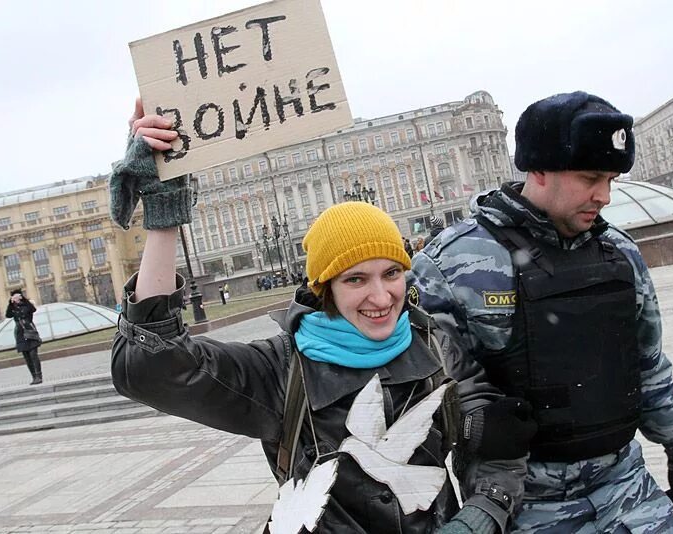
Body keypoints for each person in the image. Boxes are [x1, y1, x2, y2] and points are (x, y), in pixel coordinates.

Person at [108, 101, 532, 533]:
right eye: (355, 280)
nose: (381, 296)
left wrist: (484, 510)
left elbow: (497, 440)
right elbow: (152, 369)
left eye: (391, 273)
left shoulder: (435, 344)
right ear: (323, 288)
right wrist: (163, 220)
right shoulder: (280, 368)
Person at [410, 91, 673, 533]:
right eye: (589, 178)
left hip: (627, 492)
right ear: (538, 169)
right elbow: (420, 396)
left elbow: (647, 362)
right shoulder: (452, 267)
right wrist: (473, 426)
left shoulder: (619, 252)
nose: (603, 195)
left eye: (611, 180)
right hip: (525, 506)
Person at [5, 289, 43, 385]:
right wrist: (11, 303)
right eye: (14, 297)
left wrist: (24, 300)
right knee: (27, 357)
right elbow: (8, 315)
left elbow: (33, 309)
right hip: (20, 334)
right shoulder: (13, 307)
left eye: (17, 296)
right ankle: (34, 377)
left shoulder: (27, 305)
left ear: (21, 296)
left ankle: (39, 376)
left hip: (30, 331)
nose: (16, 298)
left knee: (33, 355)